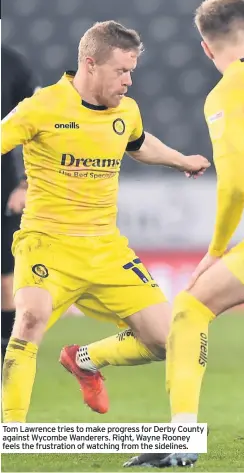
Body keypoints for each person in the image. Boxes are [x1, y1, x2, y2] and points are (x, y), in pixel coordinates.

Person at [124, 0, 244, 468]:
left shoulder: (227, 94)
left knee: (191, 305)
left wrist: (216, 250)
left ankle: (183, 436)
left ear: (206, 49)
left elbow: (233, 188)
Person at [1, 21, 210, 423]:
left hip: (106, 249)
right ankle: (12, 432)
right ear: (90, 64)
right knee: (28, 319)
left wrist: (181, 160)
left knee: (170, 341)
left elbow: (138, 141)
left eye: (132, 71)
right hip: (47, 242)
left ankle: (85, 360)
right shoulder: (42, 106)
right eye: (121, 71)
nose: (129, 81)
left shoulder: (125, 111)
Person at [1, 46, 36, 364]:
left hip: (3, 185)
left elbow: (35, 125)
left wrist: (26, 183)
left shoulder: (11, 63)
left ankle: (7, 357)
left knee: (5, 278)